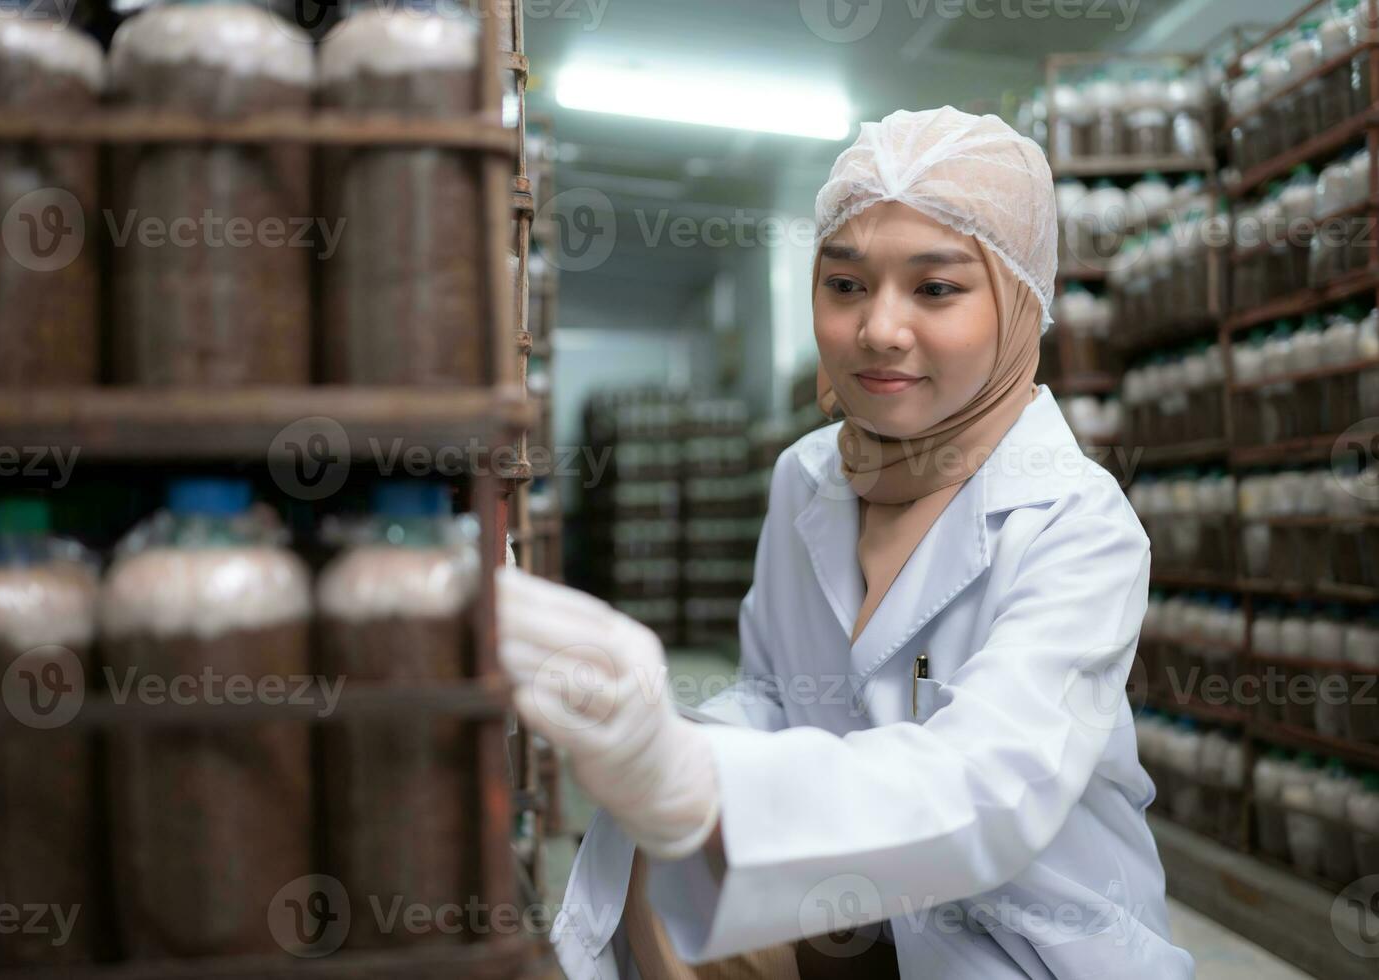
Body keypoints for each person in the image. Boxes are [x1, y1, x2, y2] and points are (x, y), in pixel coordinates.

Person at [497, 106, 1194, 980]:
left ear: (1019, 304)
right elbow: (774, 696)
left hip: (1021, 933)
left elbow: (992, 787)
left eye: (936, 289)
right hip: (855, 909)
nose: (878, 329)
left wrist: (697, 778)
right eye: (847, 284)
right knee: (656, 872)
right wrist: (658, 730)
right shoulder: (807, 479)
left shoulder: (1075, 524)